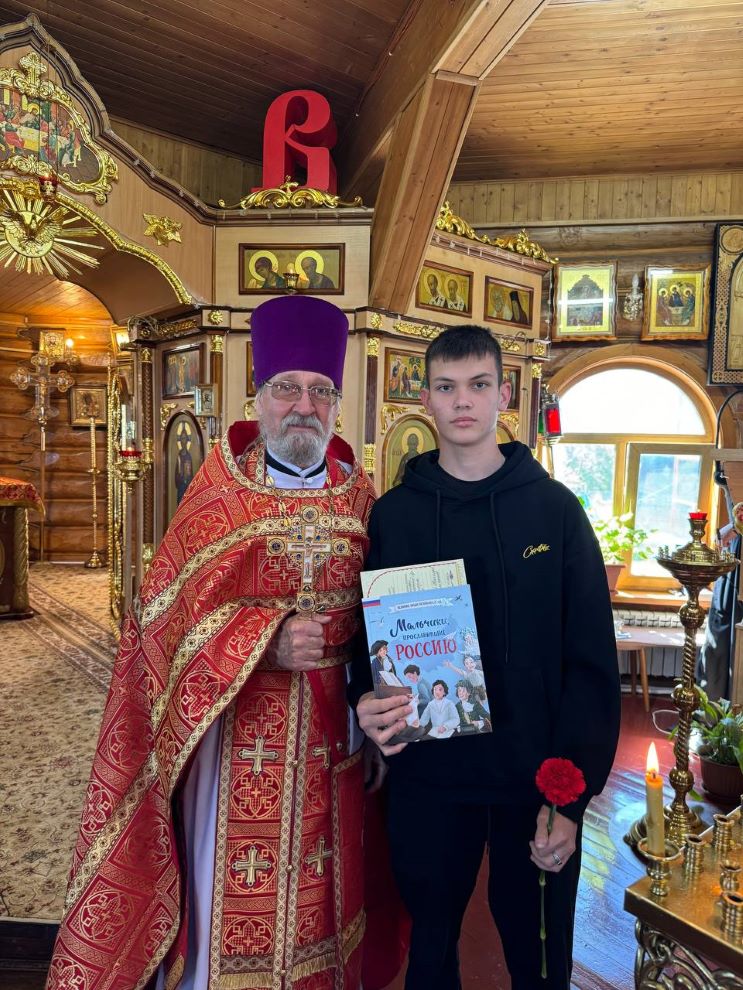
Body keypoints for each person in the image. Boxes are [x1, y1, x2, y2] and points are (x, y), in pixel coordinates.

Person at [47, 296, 377, 990]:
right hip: (230, 742)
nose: (304, 406)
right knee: (223, 900)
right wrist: (265, 639)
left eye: (321, 391)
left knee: (325, 900)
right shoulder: (218, 497)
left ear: (337, 405)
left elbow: (385, 624)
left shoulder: (361, 500)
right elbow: (160, 628)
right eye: (287, 388)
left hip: (332, 737)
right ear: (258, 396)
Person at [350, 324, 620, 990]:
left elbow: (590, 663)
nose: (462, 401)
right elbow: (365, 639)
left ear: (504, 394)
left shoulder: (556, 512)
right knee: (430, 951)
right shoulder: (394, 516)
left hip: (535, 779)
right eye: (445, 387)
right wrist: (364, 699)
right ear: (425, 400)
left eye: (477, 385)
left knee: (538, 959)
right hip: (429, 777)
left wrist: (571, 796)